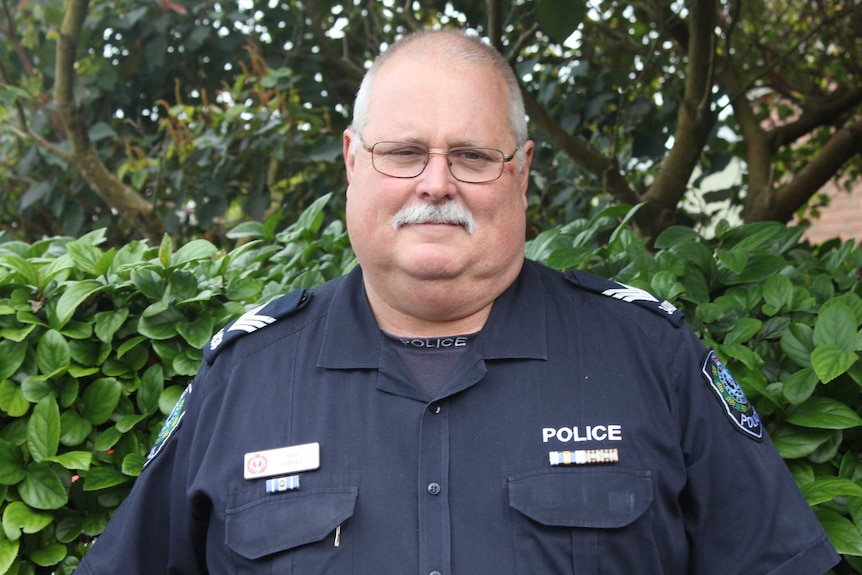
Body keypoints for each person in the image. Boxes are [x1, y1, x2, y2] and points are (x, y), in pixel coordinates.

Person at [76, 29, 840, 575]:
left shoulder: (652, 359)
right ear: (353, 161)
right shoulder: (243, 378)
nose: (435, 183)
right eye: (404, 152)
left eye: (471, 155)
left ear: (521, 169)